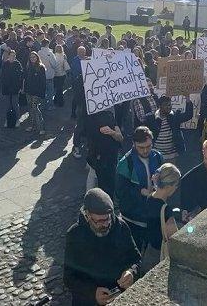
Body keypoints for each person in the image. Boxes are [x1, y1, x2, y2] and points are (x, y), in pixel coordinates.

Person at [63, 188, 141, 306]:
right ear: (87, 215)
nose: (104, 225)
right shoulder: (74, 235)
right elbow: (68, 278)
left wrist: (131, 272)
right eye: (98, 221)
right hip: (87, 301)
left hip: (119, 296)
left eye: (107, 219)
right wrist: (92, 293)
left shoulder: (121, 227)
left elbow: (136, 259)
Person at [114, 126, 163, 255]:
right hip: (132, 218)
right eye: (141, 147)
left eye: (148, 146)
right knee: (133, 252)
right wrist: (140, 192)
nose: (146, 150)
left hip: (151, 214)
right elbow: (121, 192)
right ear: (134, 144)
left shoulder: (157, 157)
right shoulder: (125, 163)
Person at [85, 107, 124, 197]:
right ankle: (89, 200)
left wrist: (112, 132)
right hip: (98, 156)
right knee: (95, 176)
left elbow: (120, 138)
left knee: (110, 182)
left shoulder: (109, 115)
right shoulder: (90, 118)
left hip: (111, 157)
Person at [143, 96, 193, 163]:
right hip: (156, 154)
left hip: (171, 155)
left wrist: (188, 99)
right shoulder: (151, 118)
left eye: (169, 104)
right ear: (160, 106)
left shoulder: (174, 116)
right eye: (165, 105)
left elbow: (188, 115)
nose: (168, 107)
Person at [23, 51, 47, 135]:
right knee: (30, 109)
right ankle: (32, 125)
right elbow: (25, 79)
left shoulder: (41, 67)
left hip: (36, 92)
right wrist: (24, 89)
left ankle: (41, 127)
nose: (32, 58)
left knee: (35, 109)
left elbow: (43, 82)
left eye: (34, 57)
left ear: (37, 58)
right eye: (31, 57)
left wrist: (42, 93)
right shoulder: (28, 67)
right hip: (28, 91)